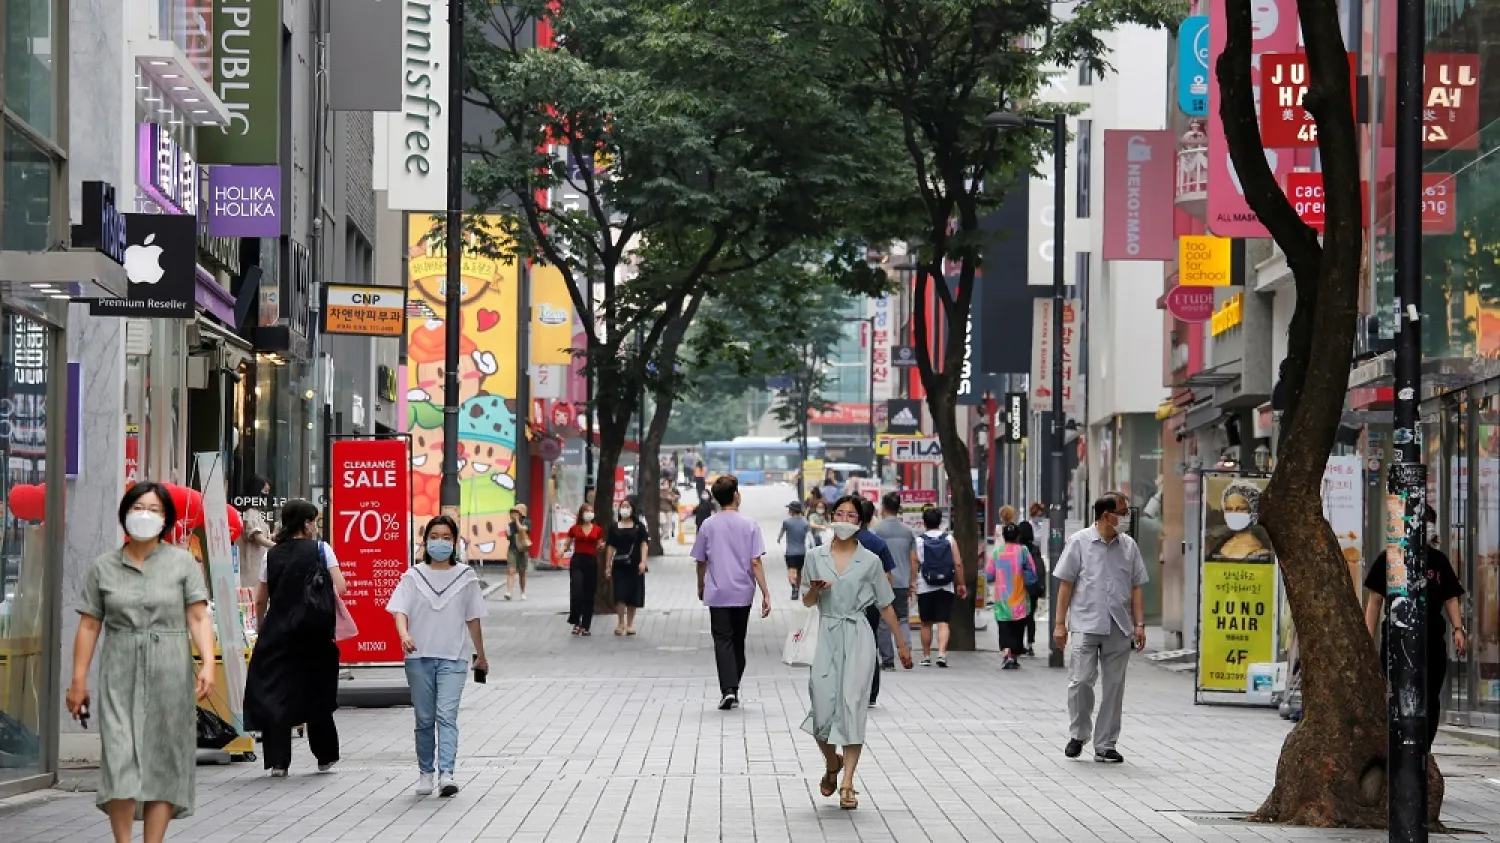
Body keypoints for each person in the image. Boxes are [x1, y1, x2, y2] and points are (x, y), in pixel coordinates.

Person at [67, 482, 217, 843]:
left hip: (170, 669)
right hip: (120, 669)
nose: (144, 515)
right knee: (119, 760)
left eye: (153, 509)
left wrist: (208, 664)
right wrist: (78, 680)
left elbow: (198, 617)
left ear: (166, 519)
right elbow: (89, 625)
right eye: (137, 507)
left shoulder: (182, 562)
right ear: (124, 513)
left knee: (162, 760)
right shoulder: (104, 567)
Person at [800, 495, 913, 810]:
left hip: (859, 636)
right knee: (821, 708)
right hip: (826, 635)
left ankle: (847, 782)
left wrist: (901, 645)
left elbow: (886, 604)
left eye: (852, 515)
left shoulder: (871, 561)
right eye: (840, 513)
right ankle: (831, 763)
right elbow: (807, 602)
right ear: (831, 516)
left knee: (852, 707)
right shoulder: (815, 556)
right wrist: (814, 590)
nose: (845, 519)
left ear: (860, 522)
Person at [386, 515, 489, 797]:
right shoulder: (413, 575)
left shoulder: (466, 576)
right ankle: (425, 773)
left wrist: (480, 655)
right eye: (434, 536)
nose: (440, 542)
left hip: (453, 657)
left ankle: (447, 773)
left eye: (446, 537)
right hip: (419, 658)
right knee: (424, 719)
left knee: (446, 715)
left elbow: (473, 618)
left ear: (455, 542)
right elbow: (399, 610)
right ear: (425, 541)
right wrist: (404, 635)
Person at [245, 499, 347, 776]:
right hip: (315, 632)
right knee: (317, 691)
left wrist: (264, 627)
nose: (315, 526)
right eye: (313, 520)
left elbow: (261, 598)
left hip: (279, 632)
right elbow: (342, 587)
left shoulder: (272, 555)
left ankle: (279, 762)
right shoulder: (321, 550)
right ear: (305, 523)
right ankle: (324, 755)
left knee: (278, 693)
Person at [1362, 506, 1467, 753]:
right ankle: (1397, 745)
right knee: (1396, 694)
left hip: (1431, 640)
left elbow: (1451, 597)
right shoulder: (1389, 558)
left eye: (1429, 521)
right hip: (1397, 640)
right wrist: (1367, 639)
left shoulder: (1438, 561)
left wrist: (1458, 629)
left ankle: (1423, 747)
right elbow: (1374, 601)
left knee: (1430, 696)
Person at [1053, 494, 1149, 763]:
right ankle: (1079, 733)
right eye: (1123, 511)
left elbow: (1136, 587)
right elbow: (1065, 585)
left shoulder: (1129, 546)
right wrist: (1060, 624)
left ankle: (1105, 744)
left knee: (1114, 687)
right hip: (1086, 622)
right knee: (1081, 680)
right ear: (1107, 515)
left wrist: (1139, 625)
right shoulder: (1079, 542)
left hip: (1120, 625)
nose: (1127, 516)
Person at [692, 475, 773, 710]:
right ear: (737, 496)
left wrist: (700, 584)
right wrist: (766, 592)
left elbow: (700, 560)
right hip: (743, 591)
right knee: (738, 639)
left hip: (717, 592)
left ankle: (728, 689)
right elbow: (755, 561)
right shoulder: (750, 524)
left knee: (722, 640)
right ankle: (733, 687)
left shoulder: (708, 525)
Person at [853, 497, 898, 704]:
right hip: (871, 602)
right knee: (870, 645)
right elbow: (888, 576)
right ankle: (871, 693)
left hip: (847, 601)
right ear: (871, 518)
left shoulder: (842, 541)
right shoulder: (877, 543)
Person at [914, 507, 968, 668]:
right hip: (946, 585)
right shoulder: (949, 539)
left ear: (924, 523)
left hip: (925, 585)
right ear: (940, 522)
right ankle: (942, 654)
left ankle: (926, 656)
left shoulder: (919, 541)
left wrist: (912, 582)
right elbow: (957, 563)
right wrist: (961, 584)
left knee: (926, 623)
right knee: (943, 621)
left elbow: (915, 562)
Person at [872, 493, 919, 671]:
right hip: (902, 582)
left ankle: (888, 660)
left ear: (883, 507)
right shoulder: (907, 532)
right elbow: (914, 559)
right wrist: (912, 580)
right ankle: (907, 652)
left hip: (883, 581)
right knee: (902, 618)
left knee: (884, 621)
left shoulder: (877, 531)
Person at [987, 523, 1038, 669]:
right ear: (1018, 536)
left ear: (1003, 536)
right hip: (1020, 597)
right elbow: (1032, 571)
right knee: (1018, 628)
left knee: (1004, 628)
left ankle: (1007, 653)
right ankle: (1014, 655)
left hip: (1002, 598)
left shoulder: (996, 552)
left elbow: (989, 576)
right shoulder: (1023, 551)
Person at [606, 499, 650, 635]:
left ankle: (630, 624)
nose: (624, 509)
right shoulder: (614, 527)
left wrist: (643, 562)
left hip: (634, 564)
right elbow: (611, 546)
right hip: (619, 564)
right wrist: (608, 565)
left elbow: (644, 544)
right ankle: (620, 622)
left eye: (627, 506)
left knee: (633, 593)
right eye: (622, 506)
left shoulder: (639, 526)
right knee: (619, 593)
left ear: (632, 509)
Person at [1204, 480, 1274, 560]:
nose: (1233, 513)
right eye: (1229, 509)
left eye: (1240, 509)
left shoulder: (1259, 550)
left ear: (1253, 510)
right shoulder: (1220, 541)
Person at [565, 503, 603, 636]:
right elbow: (567, 544)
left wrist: (601, 546)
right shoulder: (574, 529)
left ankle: (586, 624)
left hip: (591, 562)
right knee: (576, 590)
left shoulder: (597, 529)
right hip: (577, 561)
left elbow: (599, 543)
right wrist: (560, 553)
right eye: (587, 511)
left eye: (591, 511)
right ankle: (576, 621)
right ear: (581, 514)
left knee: (589, 593)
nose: (589, 513)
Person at [237, 475, 276, 588]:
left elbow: (263, 536)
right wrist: (277, 546)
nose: (266, 495)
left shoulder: (257, 513)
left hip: (259, 563)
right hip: (251, 565)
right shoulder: (250, 512)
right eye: (265, 491)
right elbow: (258, 537)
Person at [778, 500, 811, 600]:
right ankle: (798, 588)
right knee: (800, 572)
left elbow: (780, 536)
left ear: (792, 510)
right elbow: (810, 538)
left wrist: (778, 540)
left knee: (791, 571)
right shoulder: (805, 523)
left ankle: (794, 588)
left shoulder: (787, 522)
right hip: (802, 552)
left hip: (790, 552)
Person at [505, 504, 532, 600]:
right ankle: (508, 592)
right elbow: (508, 537)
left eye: (517, 512)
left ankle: (522, 592)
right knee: (511, 570)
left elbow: (522, 529)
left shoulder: (527, 522)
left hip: (523, 550)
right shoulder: (510, 525)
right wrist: (507, 533)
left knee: (522, 572)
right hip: (513, 549)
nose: (514, 515)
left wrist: (517, 521)